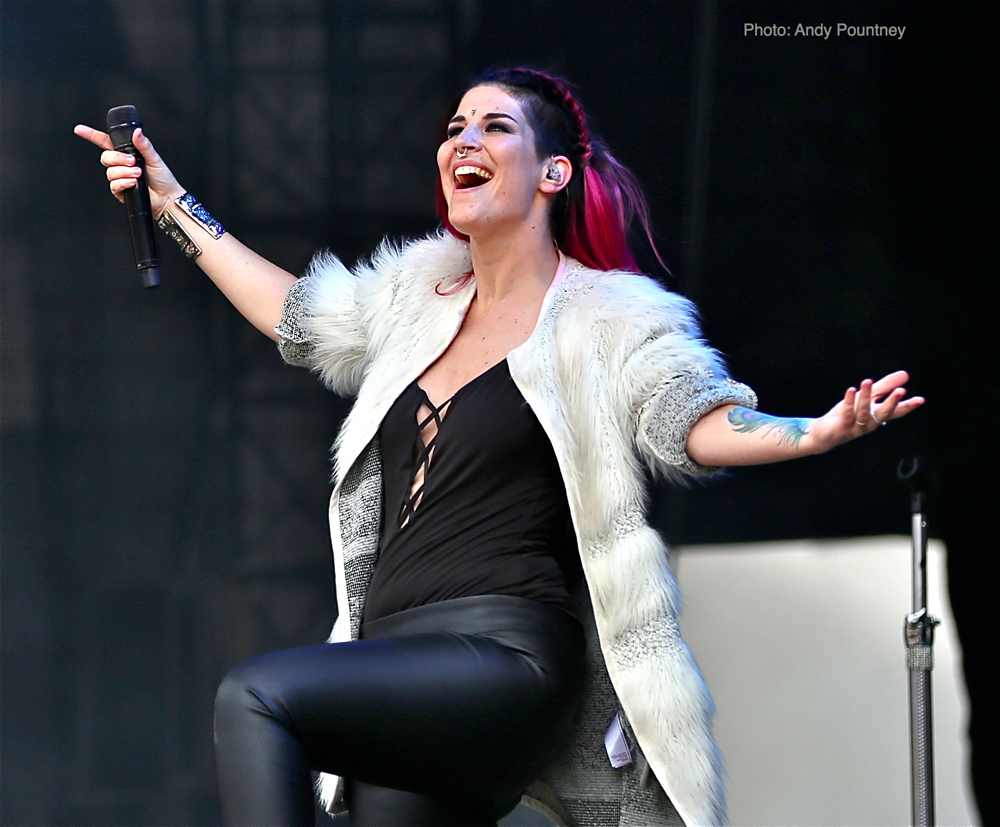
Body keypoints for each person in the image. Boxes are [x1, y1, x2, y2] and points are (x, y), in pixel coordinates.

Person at [76, 68, 923, 827]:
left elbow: (689, 417)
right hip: (394, 661)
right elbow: (294, 315)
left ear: (553, 174)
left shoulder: (609, 318)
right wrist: (169, 202)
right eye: (454, 128)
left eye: (493, 126)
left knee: (255, 695)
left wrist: (812, 431)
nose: (463, 141)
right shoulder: (413, 299)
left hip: (503, 656)